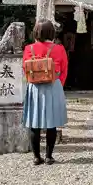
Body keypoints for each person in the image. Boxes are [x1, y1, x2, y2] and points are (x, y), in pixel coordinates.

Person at [23, 19, 68, 165]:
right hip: (53, 85)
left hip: (35, 86)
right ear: (52, 32)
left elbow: (25, 69)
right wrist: (58, 84)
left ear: (36, 32)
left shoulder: (29, 49)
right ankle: (49, 156)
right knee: (51, 122)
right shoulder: (59, 48)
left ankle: (36, 156)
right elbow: (64, 69)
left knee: (34, 122)